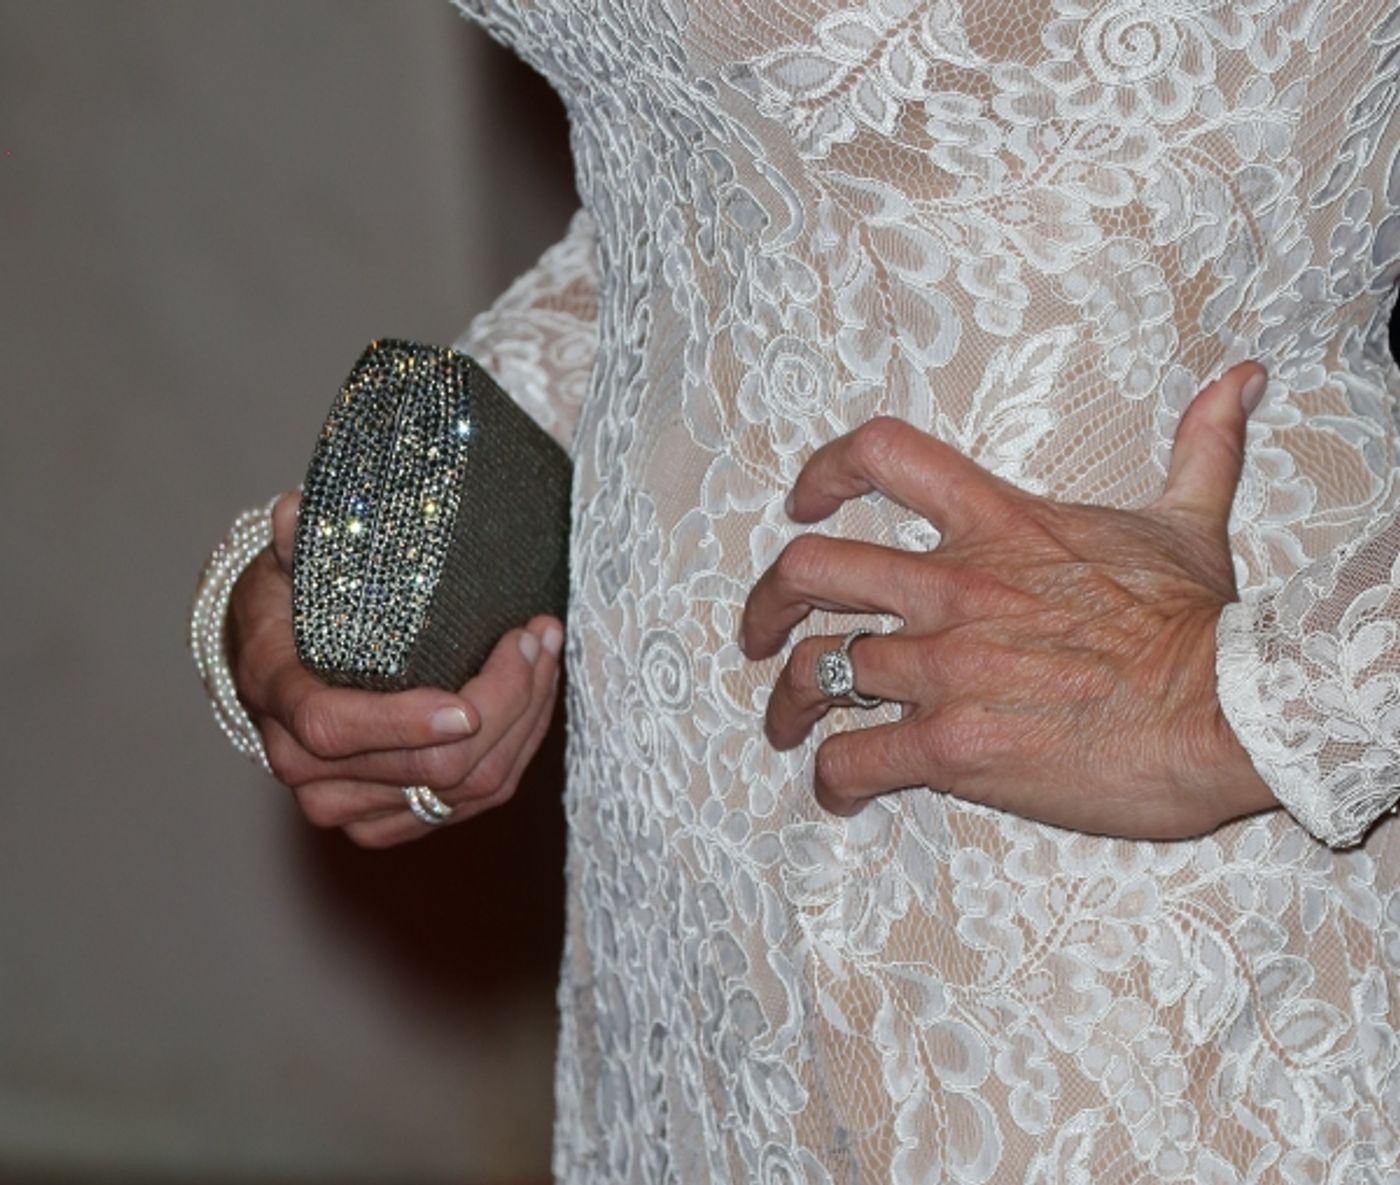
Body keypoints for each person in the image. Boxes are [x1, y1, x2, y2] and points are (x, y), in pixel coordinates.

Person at [193, 2, 1400, 1179]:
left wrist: (1280, 699)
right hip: (688, 934)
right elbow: (727, 153)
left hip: (1134, 909)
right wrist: (408, 537)